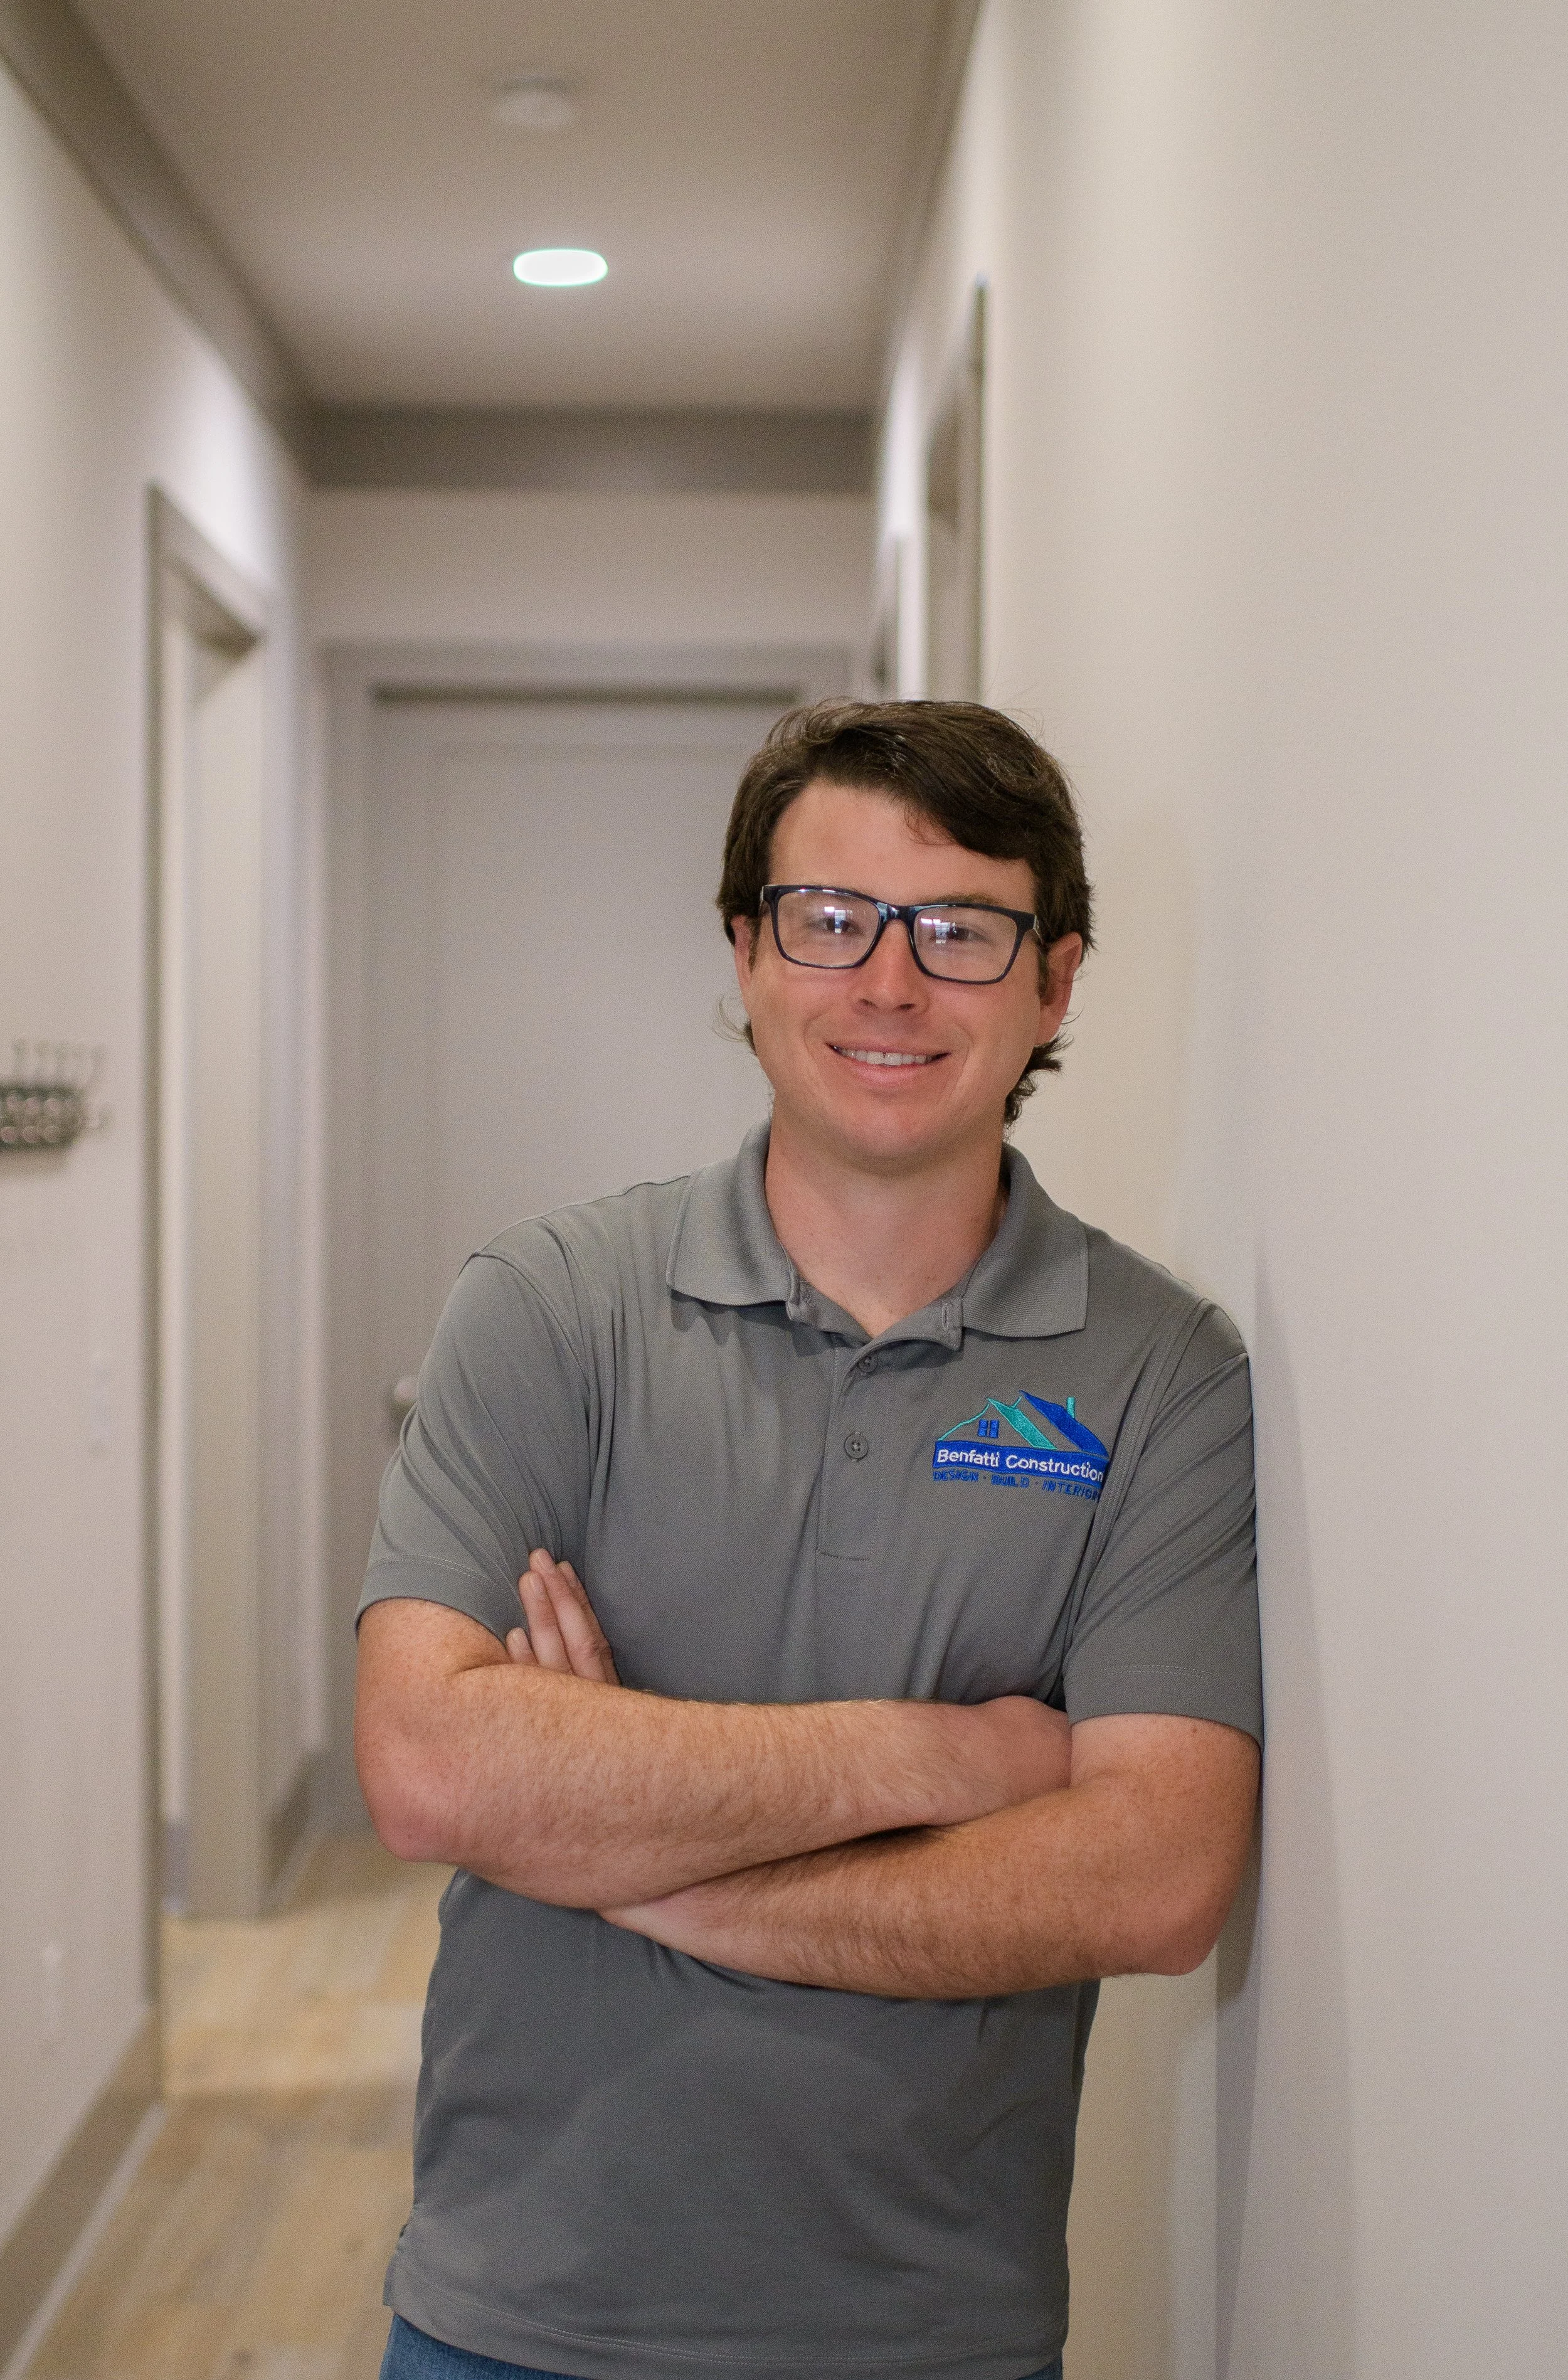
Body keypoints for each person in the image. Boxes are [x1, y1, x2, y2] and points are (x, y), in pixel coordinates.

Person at [356, 698, 1263, 2380]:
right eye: (829, 919)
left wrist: (638, 1864)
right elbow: (429, 1772)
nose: (888, 982)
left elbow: (1149, 1877)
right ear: (746, 955)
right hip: (518, 2315)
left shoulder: (1158, 1374)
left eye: (960, 931)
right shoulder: (552, 1310)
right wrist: (942, 1757)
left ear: (1054, 981)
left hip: (932, 2334)